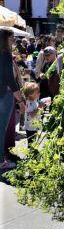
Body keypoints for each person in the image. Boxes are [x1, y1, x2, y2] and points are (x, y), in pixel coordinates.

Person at [0, 28, 25, 170]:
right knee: (1, 129)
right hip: (4, 96)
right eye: (12, 39)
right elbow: (10, 79)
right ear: (5, 40)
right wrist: (20, 101)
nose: (14, 42)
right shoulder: (5, 55)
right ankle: (1, 161)